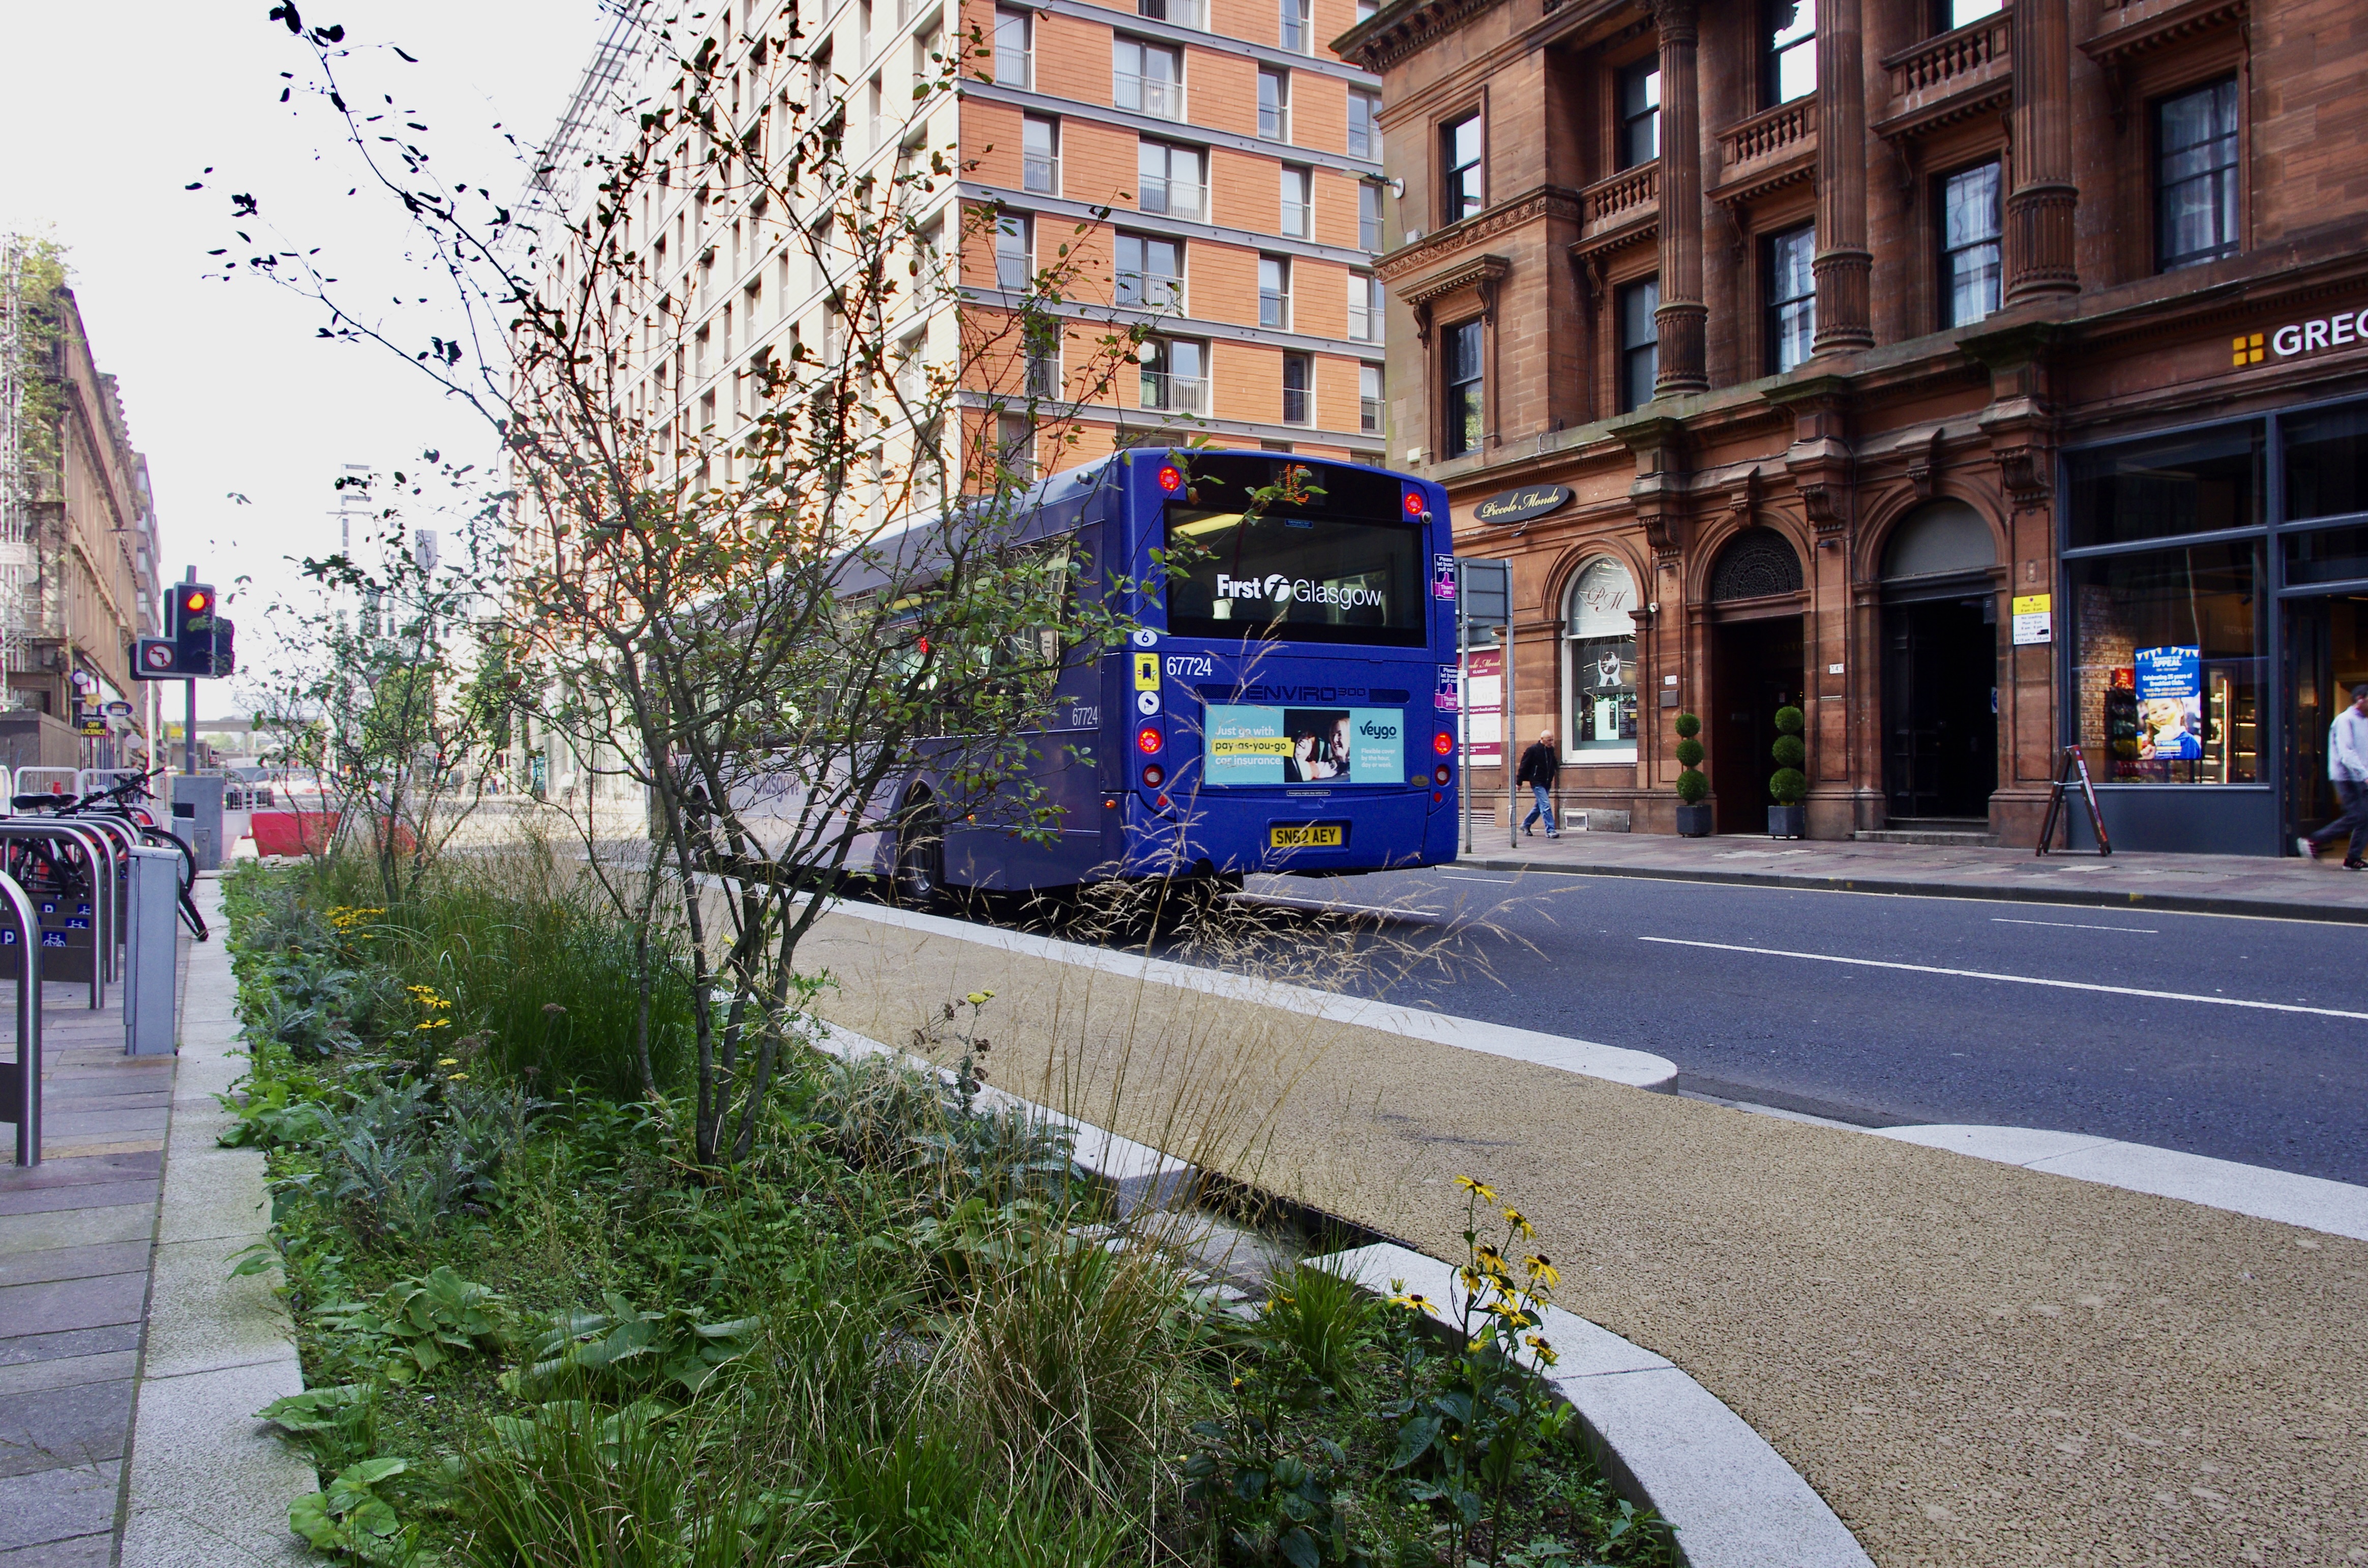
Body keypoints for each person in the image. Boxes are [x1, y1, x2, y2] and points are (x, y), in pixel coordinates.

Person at [2301, 683, 2368, 869]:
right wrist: (2364, 774)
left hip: (2361, 777)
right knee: (2357, 815)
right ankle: (2315, 840)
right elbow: (2347, 752)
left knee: (2365, 817)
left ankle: (2353, 859)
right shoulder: (2345, 720)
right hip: (2346, 777)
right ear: (2360, 699)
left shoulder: (2365, 721)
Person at [1515, 729, 1559, 839]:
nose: (1551, 742)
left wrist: (1556, 769)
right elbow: (1524, 766)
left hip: (1547, 781)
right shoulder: (1533, 750)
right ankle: (1550, 830)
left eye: (1552, 740)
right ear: (1542, 739)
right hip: (1537, 782)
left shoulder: (1551, 750)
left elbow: (1553, 762)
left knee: (1539, 807)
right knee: (1545, 805)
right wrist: (1519, 782)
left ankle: (1526, 824)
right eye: (1549, 740)